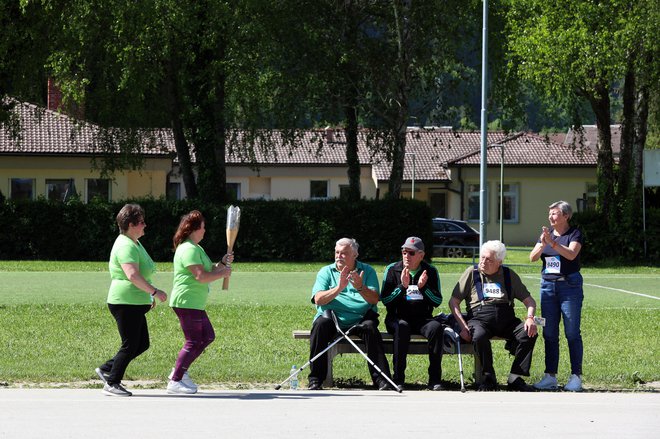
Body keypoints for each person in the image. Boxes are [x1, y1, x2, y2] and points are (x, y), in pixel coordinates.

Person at [96, 203, 168, 397]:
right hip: (124, 302)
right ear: (131, 224)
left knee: (142, 343)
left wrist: (146, 295)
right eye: (141, 222)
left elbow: (141, 274)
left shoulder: (134, 242)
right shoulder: (125, 245)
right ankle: (112, 382)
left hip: (133, 302)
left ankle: (106, 369)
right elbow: (133, 275)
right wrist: (154, 292)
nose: (145, 225)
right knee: (129, 344)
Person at [449, 240, 538, 391]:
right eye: (482, 257)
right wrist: (463, 326)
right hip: (479, 318)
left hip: (506, 317)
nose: (483, 262)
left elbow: (530, 301)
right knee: (479, 336)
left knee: (528, 333)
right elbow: (453, 302)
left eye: (488, 259)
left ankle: (515, 377)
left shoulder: (509, 275)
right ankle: (488, 376)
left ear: (499, 262)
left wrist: (530, 318)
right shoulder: (472, 273)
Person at [307, 237, 393, 390]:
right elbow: (318, 299)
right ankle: (315, 379)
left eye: (344, 253)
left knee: (371, 328)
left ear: (355, 255)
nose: (339, 256)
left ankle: (382, 380)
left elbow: (374, 299)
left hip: (361, 318)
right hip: (332, 318)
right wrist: (339, 287)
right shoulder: (326, 272)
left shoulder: (367, 271)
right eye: (337, 252)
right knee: (320, 325)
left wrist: (360, 287)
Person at [167, 210, 233, 394]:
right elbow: (200, 276)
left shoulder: (196, 248)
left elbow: (209, 269)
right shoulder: (188, 249)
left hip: (195, 302)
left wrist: (221, 263)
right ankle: (175, 380)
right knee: (193, 341)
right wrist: (222, 274)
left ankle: (181, 370)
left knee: (207, 337)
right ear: (194, 229)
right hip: (186, 301)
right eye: (203, 227)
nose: (205, 231)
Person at [530, 200, 584, 392]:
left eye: (554, 213)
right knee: (549, 332)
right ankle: (550, 376)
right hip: (548, 287)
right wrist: (543, 243)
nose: (550, 217)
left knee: (571, 332)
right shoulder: (547, 235)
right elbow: (533, 257)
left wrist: (553, 243)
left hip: (569, 286)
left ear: (566, 216)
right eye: (550, 214)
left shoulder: (574, 234)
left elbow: (571, 255)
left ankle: (576, 377)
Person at [381, 237, 444, 390]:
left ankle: (434, 379)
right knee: (402, 327)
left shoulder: (431, 271)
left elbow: (437, 301)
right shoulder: (392, 269)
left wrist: (424, 288)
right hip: (397, 318)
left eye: (411, 253)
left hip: (422, 319)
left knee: (436, 328)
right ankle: (398, 379)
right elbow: (386, 300)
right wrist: (402, 286)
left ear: (421, 255)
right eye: (404, 252)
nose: (406, 256)